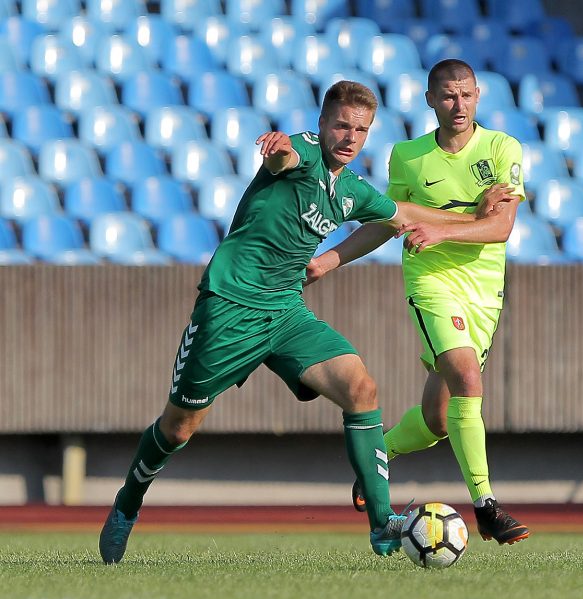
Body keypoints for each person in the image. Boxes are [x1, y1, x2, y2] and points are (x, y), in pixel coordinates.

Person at [98, 80, 512, 564]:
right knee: (179, 428)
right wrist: (278, 150)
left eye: (361, 129)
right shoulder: (306, 152)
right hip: (230, 307)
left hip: (286, 311)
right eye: (341, 124)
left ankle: (383, 524)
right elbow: (283, 158)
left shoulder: (351, 188)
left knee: (362, 389)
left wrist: (466, 219)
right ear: (322, 123)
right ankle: (127, 503)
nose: (350, 136)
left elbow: (403, 214)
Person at [307, 60, 529, 545]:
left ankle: (377, 455)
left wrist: (445, 226)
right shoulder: (408, 156)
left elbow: (501, 228)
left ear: (478, 95)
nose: (459, 105)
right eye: (448, 96)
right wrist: (330, 260)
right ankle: (487, 507)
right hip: (431, 282)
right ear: (431, 99)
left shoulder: (501, 148)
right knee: (467, 377)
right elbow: (390, 221)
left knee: (437, 420)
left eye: (466, 95)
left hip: (484, 291)